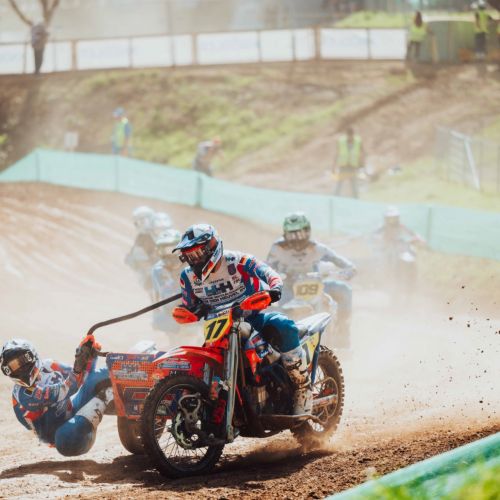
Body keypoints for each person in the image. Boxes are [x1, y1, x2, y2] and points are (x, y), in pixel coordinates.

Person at [172, 223, 312, 415]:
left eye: (197, 253)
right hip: (218, 329)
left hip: (253, 318)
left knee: (283, 325)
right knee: (199, 363)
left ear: (211, 247)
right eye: (189, 256)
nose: (194, 260)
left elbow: (269, 273)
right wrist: (190, 311)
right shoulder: (187, 277)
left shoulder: (238, 261)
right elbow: (190, 306)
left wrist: (274, 289)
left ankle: (302, 387)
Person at [0, 337, 111, 456]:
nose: (19, 368)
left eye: (22, 361)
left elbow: (82, 377)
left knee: (100, 377)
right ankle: (106, 396)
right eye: (13, 367)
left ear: (31, 355)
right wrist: (80, 367)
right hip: (63, 437)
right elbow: (66, 388)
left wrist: (87, 356)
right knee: (66, 437)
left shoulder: (49, 365)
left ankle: (124, 371)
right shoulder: (22, 394)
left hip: (73, 410)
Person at [267, 212, 356, 349]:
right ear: (285, 234)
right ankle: (277, 345)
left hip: (317, 284)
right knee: (279, 314)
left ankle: (343, 331)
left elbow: (345, 264)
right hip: (289, 286)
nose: (296, 238)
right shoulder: (278, 249)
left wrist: (348, 271)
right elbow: (266, 267)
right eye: (291, 234)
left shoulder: (318, 248)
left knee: (344, 290)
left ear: (307, 231)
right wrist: (271, 277)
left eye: (300, 233)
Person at [151, 229, 183, 332]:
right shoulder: (158, 270)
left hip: (196, 308)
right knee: (159, 322)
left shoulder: (192, 263)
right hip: (172, 312)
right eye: (165, 250)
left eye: (173, 250)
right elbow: (157, 293)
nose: (170, 255)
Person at [125, 206, 157, 296]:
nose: (137, 225)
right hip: (149, 275)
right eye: (137, 223)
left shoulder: (151, 235)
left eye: (140, 222)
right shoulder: (142, 237)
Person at [333, 126, 364, 198]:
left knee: (354, 185)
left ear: (353, 134)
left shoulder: (358, 141)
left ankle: (356, 199)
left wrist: (362, 164)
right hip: (343, 166)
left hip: (353, 166)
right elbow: (337, 153)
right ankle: (335, 198)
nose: (350, 137)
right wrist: (333, 166)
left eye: (351, 135)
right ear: (346, 134)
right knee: (339, 184)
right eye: (349, 135)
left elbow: (362, 153)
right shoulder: (341, 141)